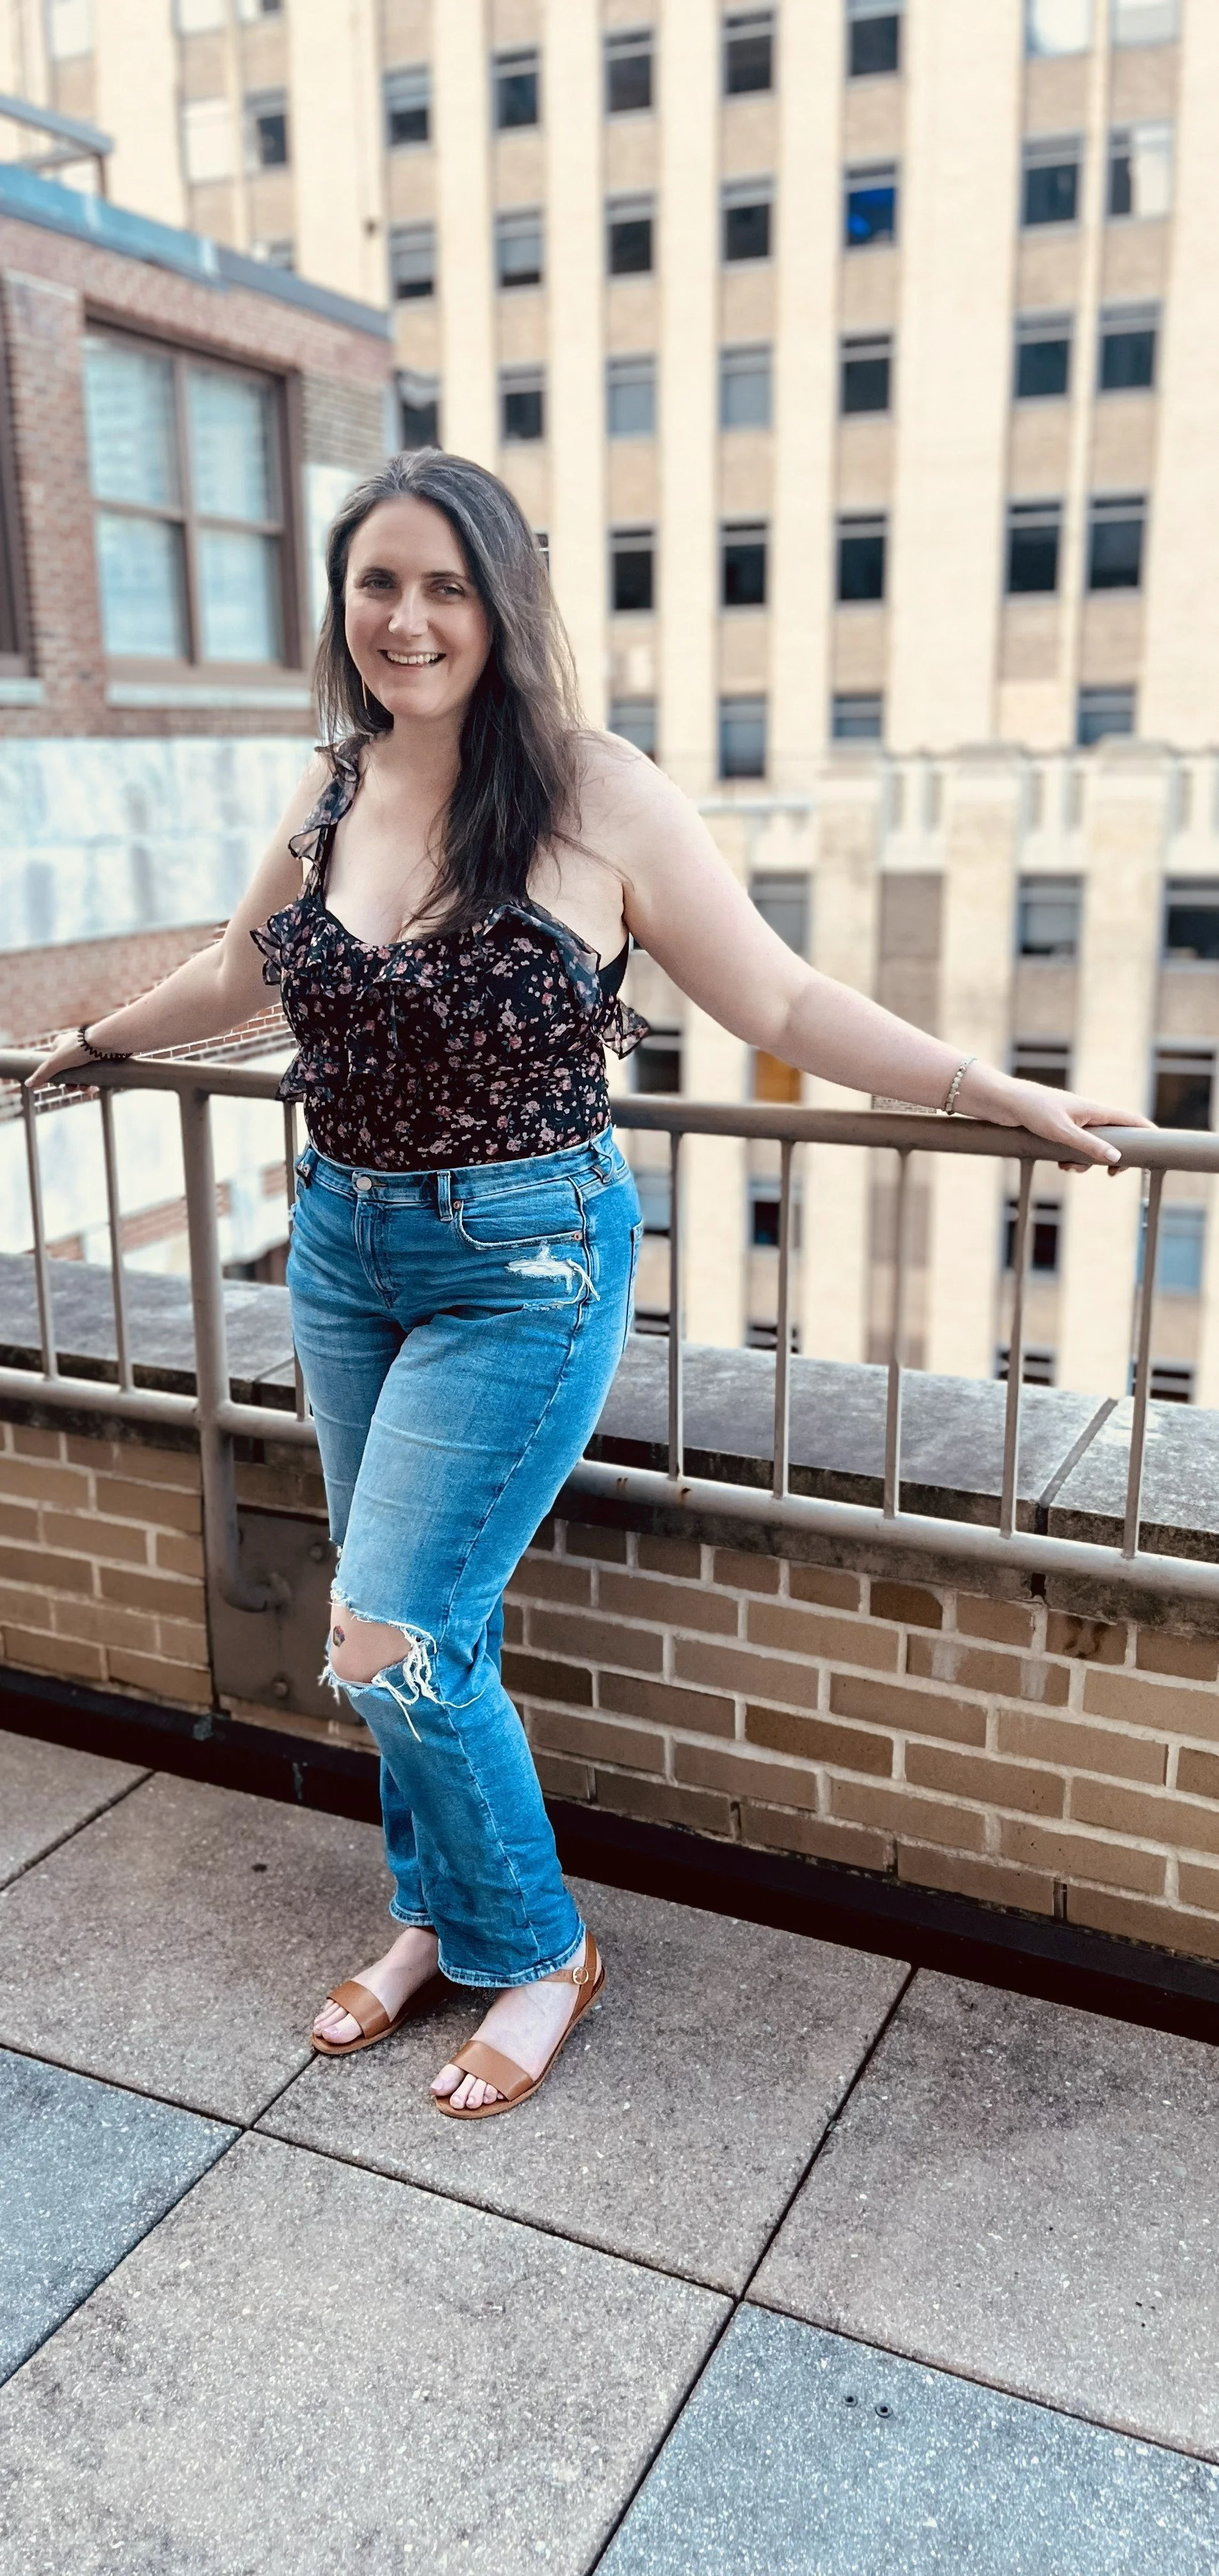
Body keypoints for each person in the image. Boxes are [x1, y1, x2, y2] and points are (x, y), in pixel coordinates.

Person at [27, 450, 1148, 2119]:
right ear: (346, 603)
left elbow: (775, 997)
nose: (405, 618)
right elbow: (242, 967)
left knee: (386, 1634)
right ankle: (431, 1914)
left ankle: (537, 1948)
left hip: (523, 1261)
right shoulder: (334, 785)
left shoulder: (593, 793)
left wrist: (995, 1094)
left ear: (500, 604)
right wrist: (100, 1039)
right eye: (376, 583)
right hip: (342, 1244)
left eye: (443, 586)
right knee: (417, 1618)